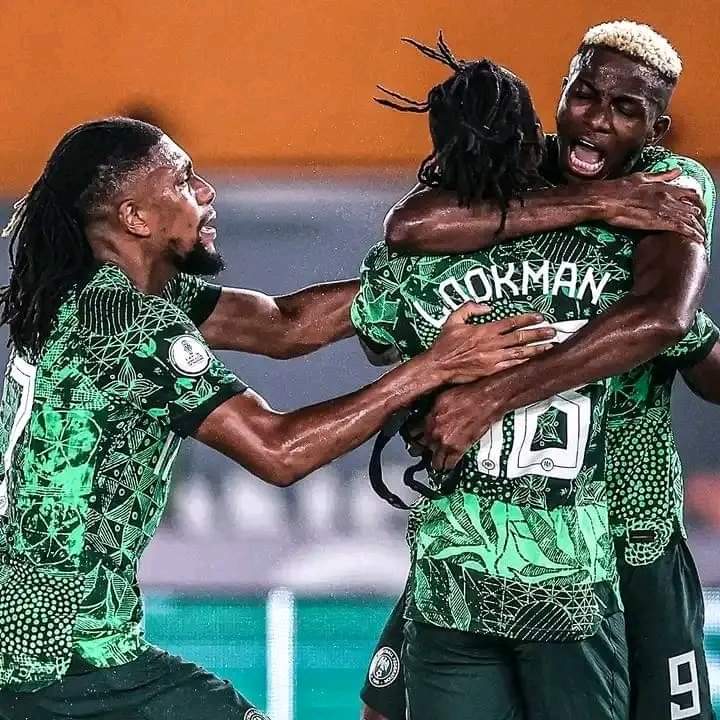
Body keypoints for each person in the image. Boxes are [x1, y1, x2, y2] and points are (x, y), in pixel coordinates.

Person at [0, 118, 555, 720]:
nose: (206, 192)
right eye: (183, 181)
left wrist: (432, 277)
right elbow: (279, 450)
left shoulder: (99, 294)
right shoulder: (130, 322)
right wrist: (435, 366)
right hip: (63, 664)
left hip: (44, 651)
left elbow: (283, 326)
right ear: (135, 217)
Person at [359, 21, 717, 720]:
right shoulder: (519, 167)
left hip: (627, 516)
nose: (597, 120)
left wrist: (487, 398)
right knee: (386, 707)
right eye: (585, 96)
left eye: (625, 109)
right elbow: (411, 226)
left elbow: (662, 319)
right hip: (495, 518)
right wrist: (596, 202)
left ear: (657, 128)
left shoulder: (671, 183)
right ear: (562, 92)